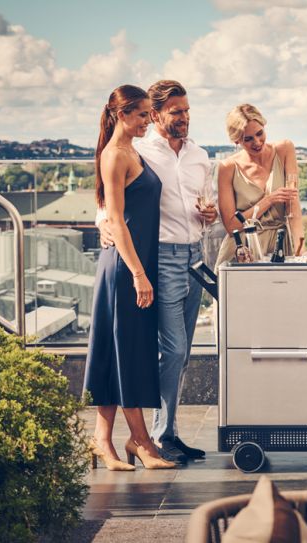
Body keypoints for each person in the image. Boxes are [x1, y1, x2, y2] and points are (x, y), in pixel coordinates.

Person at [98, 80, 215, 463]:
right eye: (175, 112)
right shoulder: (139, 149)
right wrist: (104, 222)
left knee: (181, 354)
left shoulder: (200, 156)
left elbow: (206, 204)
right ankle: (157, 434)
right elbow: (113, 200)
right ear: (157, 113)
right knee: (174, 347)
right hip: (159, 257)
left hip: (195, 255)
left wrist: (208, 215)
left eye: (187, 111)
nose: (184, 118)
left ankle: (168, 432)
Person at [84, 84, 174, 471]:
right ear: (122, 115)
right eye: (141, 115)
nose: (147, 121)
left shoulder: (129, 151)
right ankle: (142, 443)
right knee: (129, 352)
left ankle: (103, 441)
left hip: (131, 264)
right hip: (126, 268)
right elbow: (116, 219)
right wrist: (139, 274)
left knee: (117, 351)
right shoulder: (115, 155)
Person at [215, 104, 303, 264]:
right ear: (236, 140)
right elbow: (231, 226)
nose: (257, 142)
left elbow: (293, 209)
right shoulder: (227, 168)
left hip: (281, 245)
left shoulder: (285, 150)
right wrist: (268, 200)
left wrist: (300, 251)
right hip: (244, 250)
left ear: (264, 126)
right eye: (247, 139)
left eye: (259, 133)